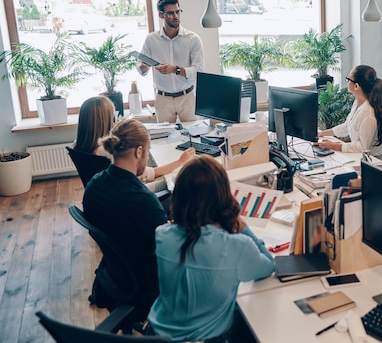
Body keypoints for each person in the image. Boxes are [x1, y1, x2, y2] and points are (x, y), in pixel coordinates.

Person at [147, 155, 275, 342]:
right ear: (224, 198)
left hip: (158, 334)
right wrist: (243, 228)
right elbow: (268, 266)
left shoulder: (163, 235)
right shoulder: (238, 246)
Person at [82, 118, 168, 319]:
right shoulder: (144, 203)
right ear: (139, 151)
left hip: (116, 273)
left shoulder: (94, 185)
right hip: (148, 281)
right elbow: (170, 248)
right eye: (147, 151)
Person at [73, 96, 194, 191]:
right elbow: (150, 174)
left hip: (108, 195)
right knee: (173, 182)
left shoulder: (78, 145)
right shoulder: (106, 150)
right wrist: (181, 161)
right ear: (105, 121)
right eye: (112, 117)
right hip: (129, 194)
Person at [137, 0, 205, 123]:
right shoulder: (151, 39)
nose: (176, 16)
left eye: (178, 12)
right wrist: (144, 66)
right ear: (161, 15)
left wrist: (175, 69)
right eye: (170, 13)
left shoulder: (192, 39)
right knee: (164, 138)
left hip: (188, 97)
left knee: (195, 134)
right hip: (163, 99)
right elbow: (141, 70)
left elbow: (199, 71)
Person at [317, 65, 382, 163]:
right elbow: (347, 126)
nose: (347, 81)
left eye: (348, 79)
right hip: (364, 157)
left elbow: (363, 147)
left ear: (356, 86)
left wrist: (335, 146)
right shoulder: (357, 103)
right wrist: (321, 134)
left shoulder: (368, 114)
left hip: (376, 161)